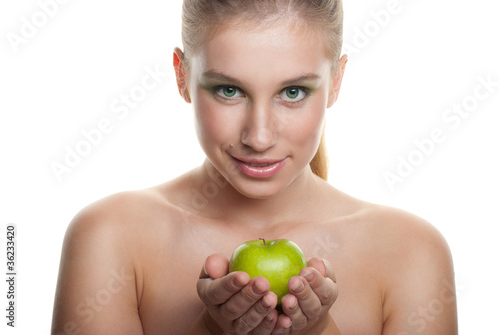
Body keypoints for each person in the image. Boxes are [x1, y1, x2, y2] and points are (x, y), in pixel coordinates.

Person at [51, 0, 458, 334]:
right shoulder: (109, 237)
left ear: (336, 81)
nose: (259, 137)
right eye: (229, 90)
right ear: (181, 76)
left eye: (293, 92)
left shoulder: (411, 251)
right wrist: (209, 330)